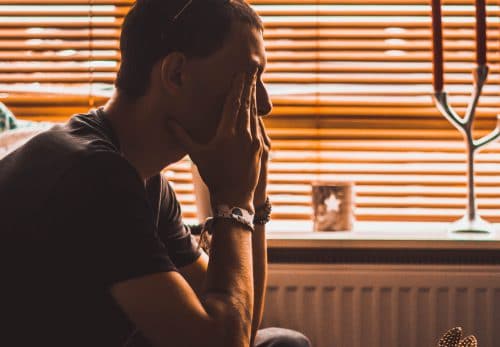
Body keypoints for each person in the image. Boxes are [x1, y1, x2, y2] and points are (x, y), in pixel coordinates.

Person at [0, 0, 313, 346]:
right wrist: (233, 200)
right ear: (176, 73)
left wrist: (253, 199)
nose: (265, 105)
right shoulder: (93, 174)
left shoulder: (142, 179)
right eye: (250, 77)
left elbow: (241, 322)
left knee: (282, 342)